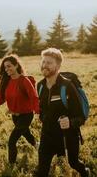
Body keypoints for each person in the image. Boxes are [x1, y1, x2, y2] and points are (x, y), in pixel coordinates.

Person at [36, 48, 90, 177]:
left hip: (68, 136)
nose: (45, 65)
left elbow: (81, 116)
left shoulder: (67, 86)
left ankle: (85, 172)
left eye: (49, 63)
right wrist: (43, 117)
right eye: (43, 62)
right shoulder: (40, 86)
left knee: (73, 163)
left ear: (58, 65)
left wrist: (70, 122)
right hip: (47, 135)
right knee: (41, 170)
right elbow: (42, 109)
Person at [0, 54, 39, 165]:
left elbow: (34, 98)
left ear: (16, 65)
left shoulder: (24, 81)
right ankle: (37, 145)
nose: (7, 69)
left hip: (26, 115)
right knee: (26, 133)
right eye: (5, 67)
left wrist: (39, 112)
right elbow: (0, 100)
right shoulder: (5, 82)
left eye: (9, 66)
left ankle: (11, 166)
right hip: (15, 116)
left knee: (12, 141)